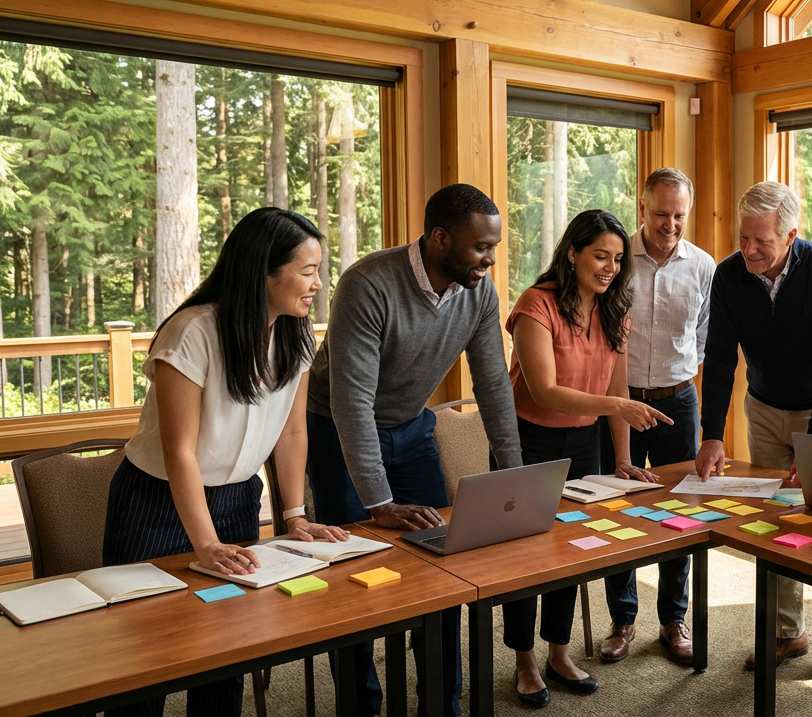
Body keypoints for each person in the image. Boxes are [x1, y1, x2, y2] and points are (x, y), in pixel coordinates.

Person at [103, 207, 350, 717]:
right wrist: (207, 542)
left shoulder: (294, 334)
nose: (319, 284)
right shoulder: (191, 333)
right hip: (155, 502)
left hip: (237, 499)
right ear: (264, 272)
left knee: (226, 642)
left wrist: (295, 513)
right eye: (308, 272)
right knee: (145, 652)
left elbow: (292, 429)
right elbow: (180, 453)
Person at [305, 183, 525, 717]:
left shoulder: (479, 290)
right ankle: (362, 704)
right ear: (440, 238)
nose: (490, 259)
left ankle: (441, 703)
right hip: (337, 430)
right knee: (350, 573)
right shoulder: (368, 283)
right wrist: (379, 503)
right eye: (480, 248)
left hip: (411, 428)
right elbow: (352, 403)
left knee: (442, 566)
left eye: (494, 247)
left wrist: (515, 477)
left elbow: (494, 384)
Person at [503, 208, 671, 708]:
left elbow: (616, 387)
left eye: (618, 259)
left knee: (569, 551)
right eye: (601, 256)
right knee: (525, 557)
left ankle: (558, 651)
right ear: (572, 252)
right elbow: (546, 391)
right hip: (526, 441)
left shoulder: (616, 307)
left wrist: (621, 458)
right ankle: (524, 659)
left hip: (584, 444)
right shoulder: (536, 304)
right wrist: (616, 406)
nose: (610, 268)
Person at [696, 181, 812, 696]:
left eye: (761, 241)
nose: (749, 250)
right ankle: (788, 632)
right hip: (763, 408)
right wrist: (712, 435)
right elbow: (719, 358)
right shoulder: (728, 275)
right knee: (774, 521)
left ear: (791, 234)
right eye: (744, 237)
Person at [596, 168, 714, 666]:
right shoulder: (619, 259)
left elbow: (706, 335)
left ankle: (673, 620)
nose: (670, 225)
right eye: (661, 214)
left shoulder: (704, 266)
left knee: (677, 515)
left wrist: (682, 376)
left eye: (680, 215)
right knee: (616, 508)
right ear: (642, 209)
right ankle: (623, 620)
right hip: (619, 400)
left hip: (677, 401)